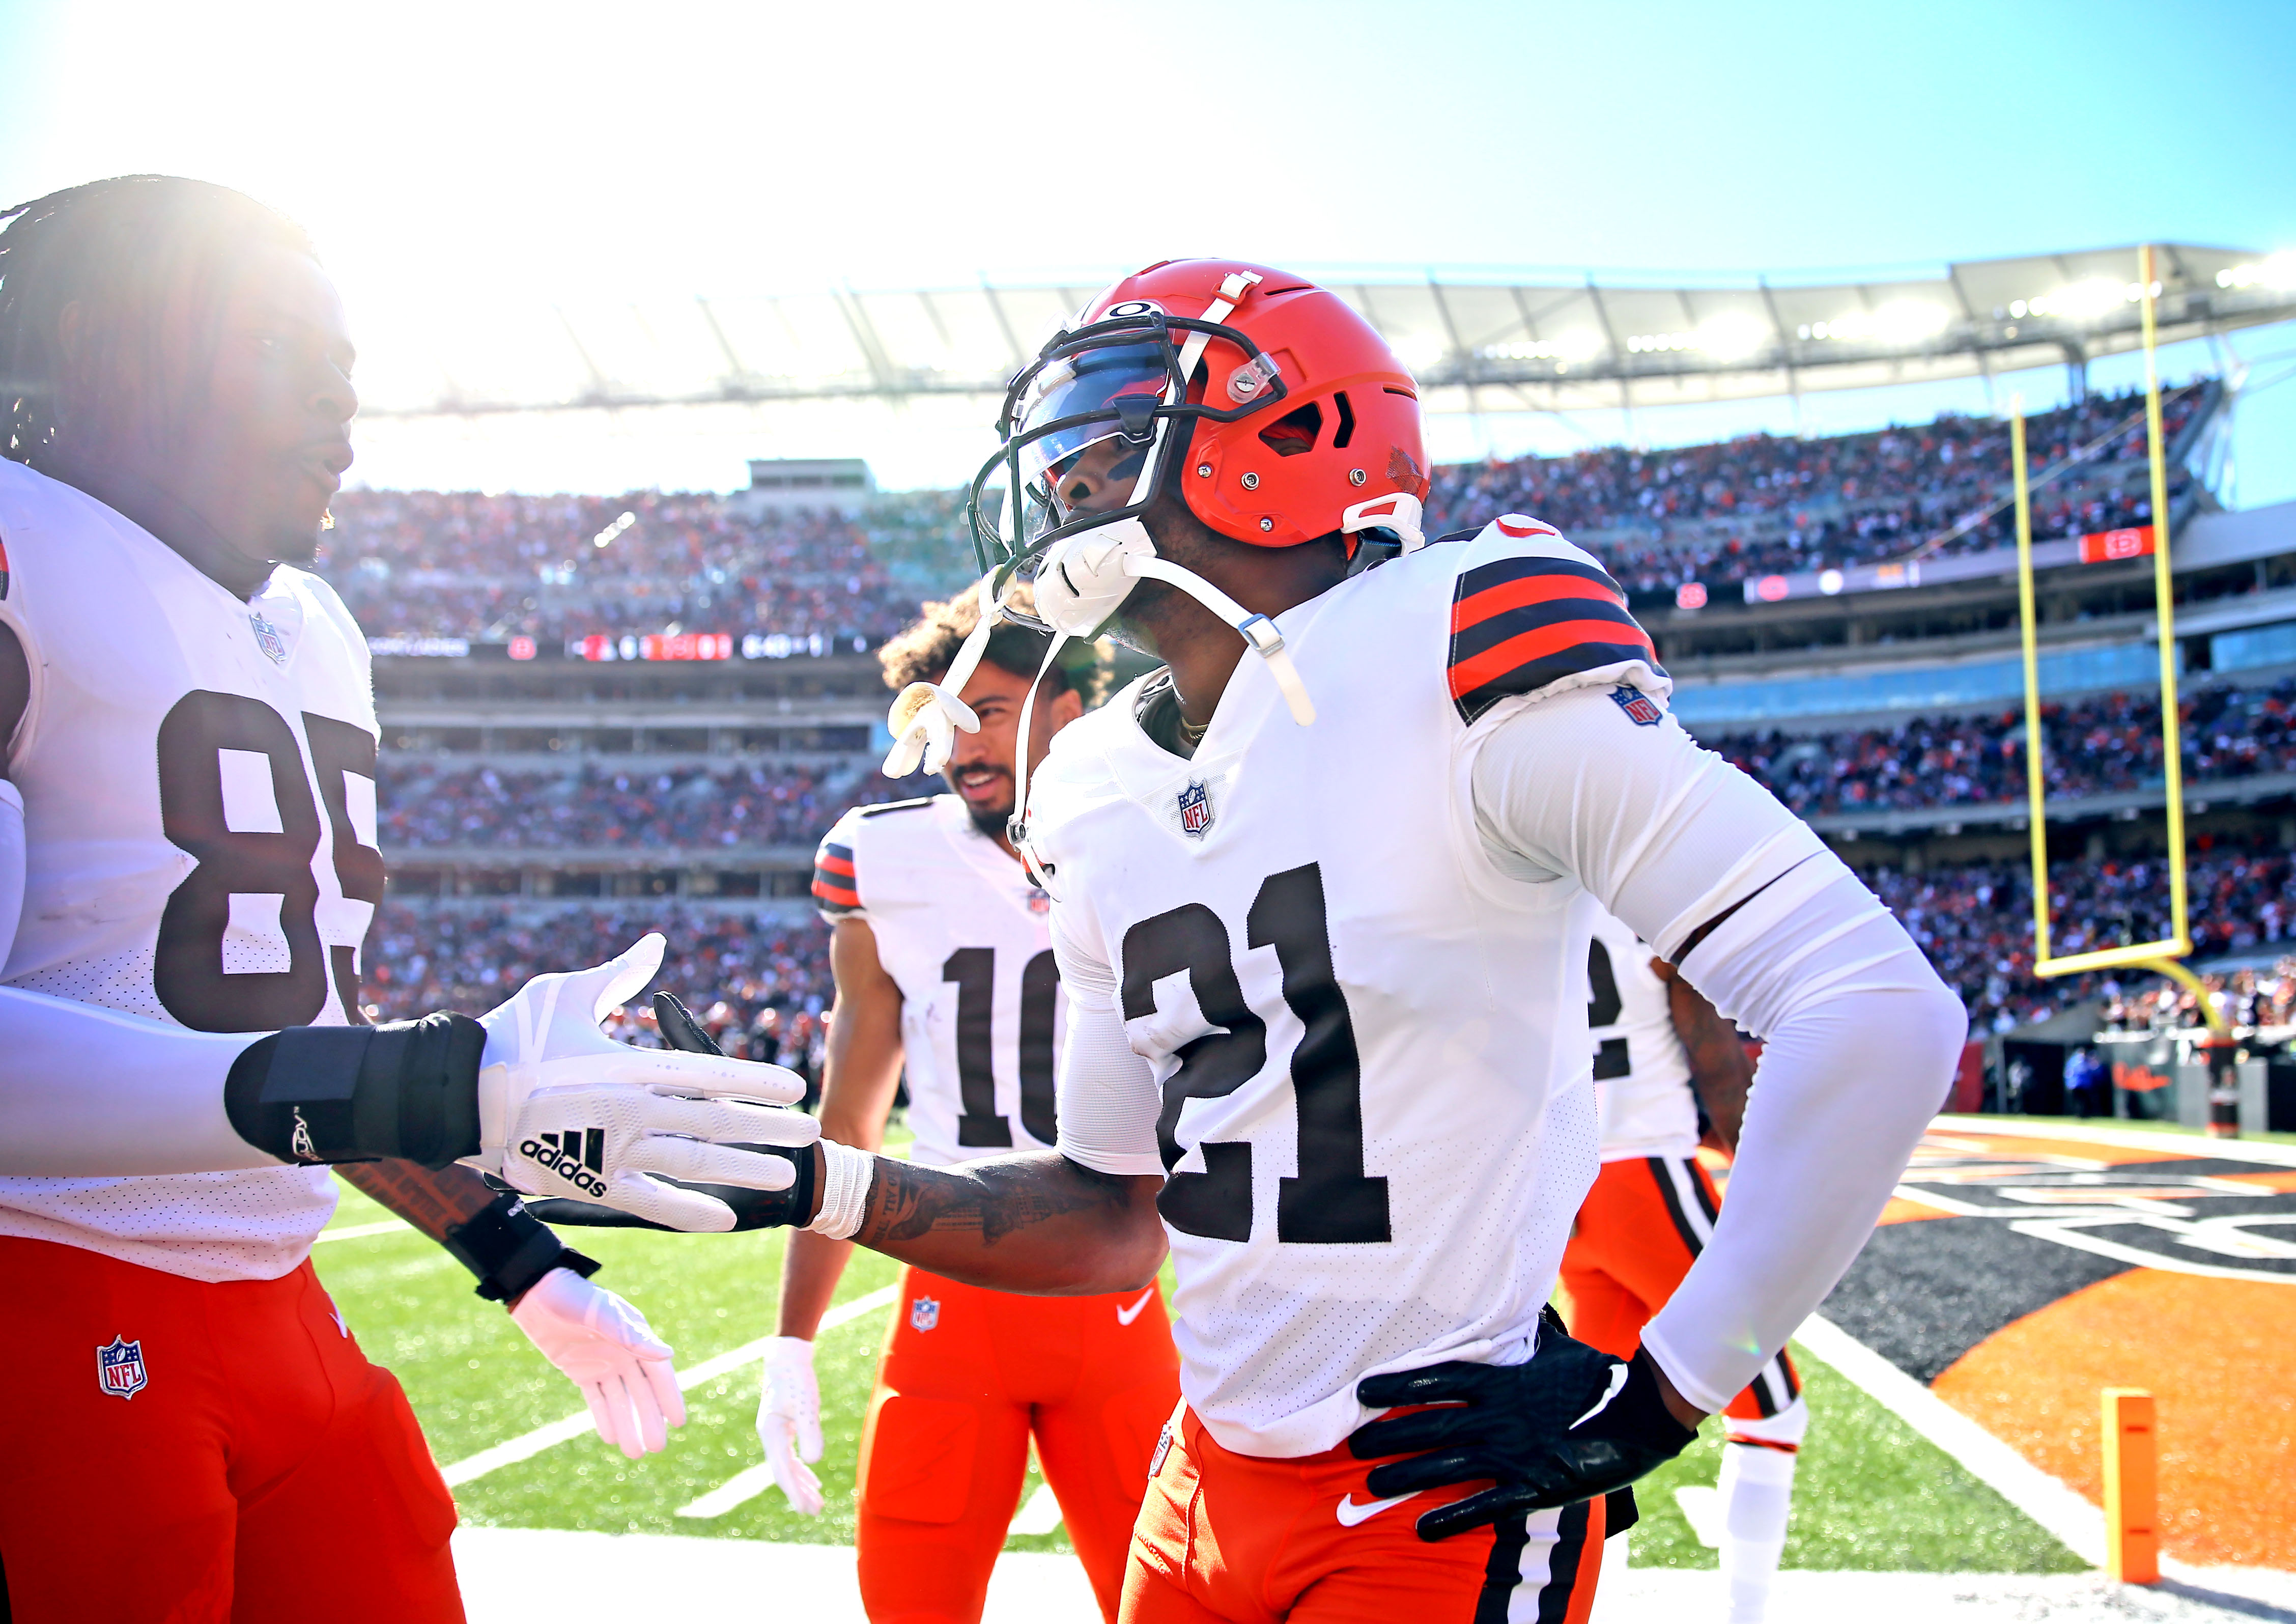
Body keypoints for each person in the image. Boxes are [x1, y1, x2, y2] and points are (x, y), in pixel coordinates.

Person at [553, 259, 1962, 1623]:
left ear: (1286, 433)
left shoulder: (1459, 643)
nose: (1064, 480)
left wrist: (1661, 1387)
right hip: (1200, 1479)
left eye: (1110, 430)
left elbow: (1876, 1006)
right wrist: (807, 1177)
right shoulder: (1093, 785)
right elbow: (1110, 1217)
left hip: (1434, 1490)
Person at [0, 176, 814, 1622]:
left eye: (345, 368)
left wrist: (517, 1255)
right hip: (50, 1308)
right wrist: (444, 1077)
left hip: (280, 1302)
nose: (338, 409)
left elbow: (300, 1039)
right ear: (99, 348)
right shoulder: (20, 550)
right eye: (274, 349)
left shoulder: (316, 629)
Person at [750, 585, 1182, 1623]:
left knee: (1173, 1601)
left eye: (989, 709)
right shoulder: (882, 856)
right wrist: (792, 1336)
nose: (962, 743)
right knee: (910, 1596)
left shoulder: (1155, 830)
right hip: (954, 1284)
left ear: (1070, 707)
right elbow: (851, 1120)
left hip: (1120, 1288)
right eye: (942, 718)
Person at [1558, 907, 1808, 1623]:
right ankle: (1745, 1612)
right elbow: (1714, 1057)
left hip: (1568, 1183)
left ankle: (1586, 1604)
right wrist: (1758, 1169)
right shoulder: (1642, 896)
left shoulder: (1533, 895)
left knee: (1594, 1421)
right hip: (1646, 1175)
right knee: (1772, 1409)